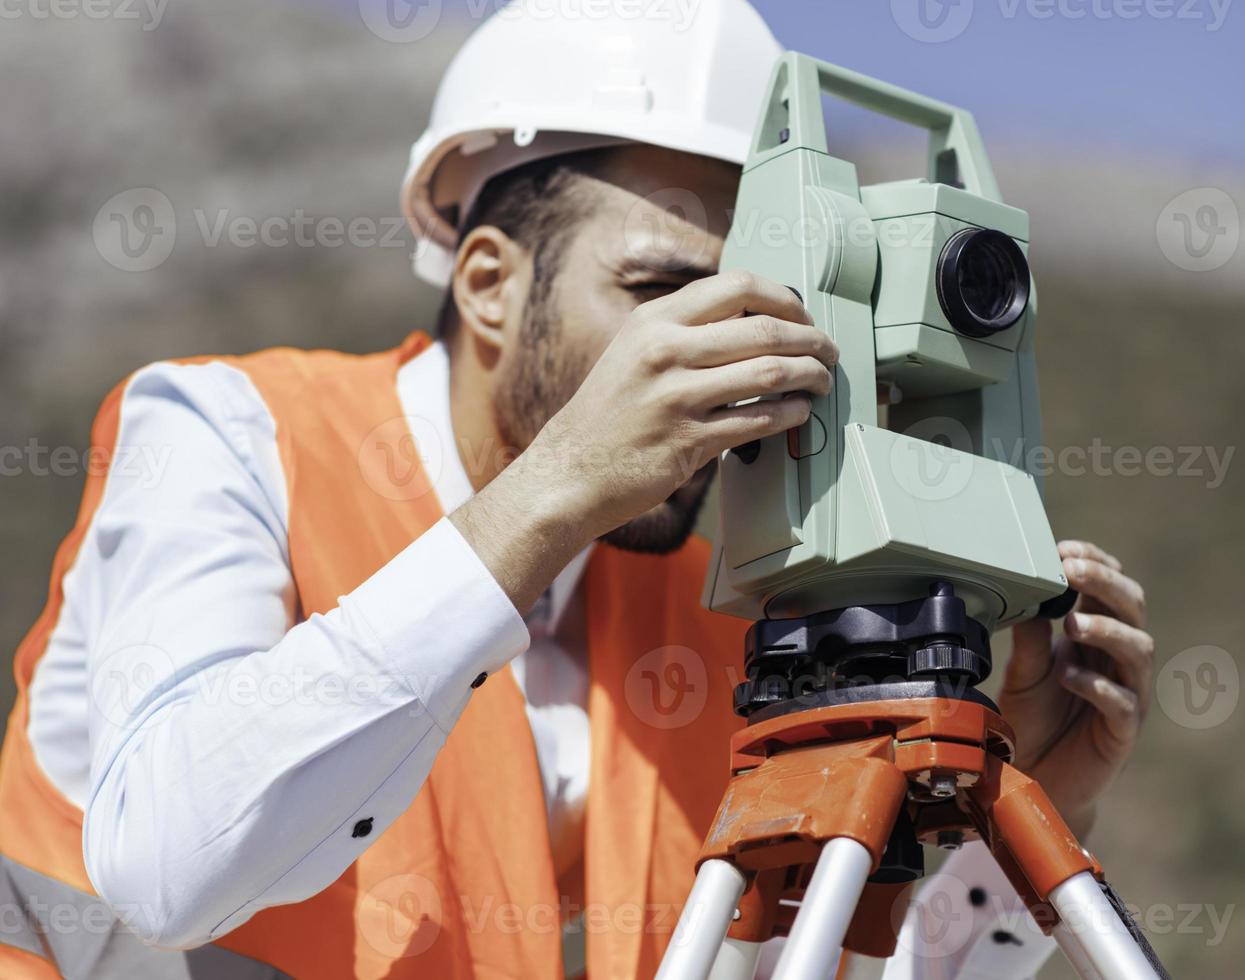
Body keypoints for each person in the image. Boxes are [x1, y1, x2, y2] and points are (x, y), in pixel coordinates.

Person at [0, 3, 1154, 977]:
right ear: (491, 284)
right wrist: (552, 495)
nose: (721, 347)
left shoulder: (710, 606)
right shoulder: (227, 433)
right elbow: (163, 865)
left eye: (759, 305)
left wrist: (1028, 818)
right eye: (658, 289)